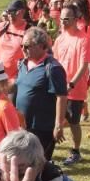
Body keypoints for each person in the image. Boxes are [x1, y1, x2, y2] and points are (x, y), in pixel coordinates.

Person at [10, 27, 68, 160]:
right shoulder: (23, 64)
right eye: (21, 45)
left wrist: (58, 126)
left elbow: (61, 97)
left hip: (42, 128)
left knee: (38, 165)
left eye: (27, 46)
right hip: (22, 126)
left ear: (42, 46)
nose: (23, 49)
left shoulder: (53, 68)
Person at [51, 4, 90, 166]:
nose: (62, 22)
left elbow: (84, 66)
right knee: (54, 120)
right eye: (61, 19)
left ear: (76, 20)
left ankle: (76, 151)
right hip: (58, 87)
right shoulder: (60, 38)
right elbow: (54, 60)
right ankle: (50, 150)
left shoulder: (84, 39)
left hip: (75, 89)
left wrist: (71, 84)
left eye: (66, 19)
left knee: (74, 122)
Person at [0, 0, 30, 80]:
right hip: (1, 77)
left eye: (14, 12)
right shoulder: (1, 27)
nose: (10, 16)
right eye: (8, 13)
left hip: (19, 78)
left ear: (22, 12)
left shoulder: (29, 31)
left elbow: (35, 58)